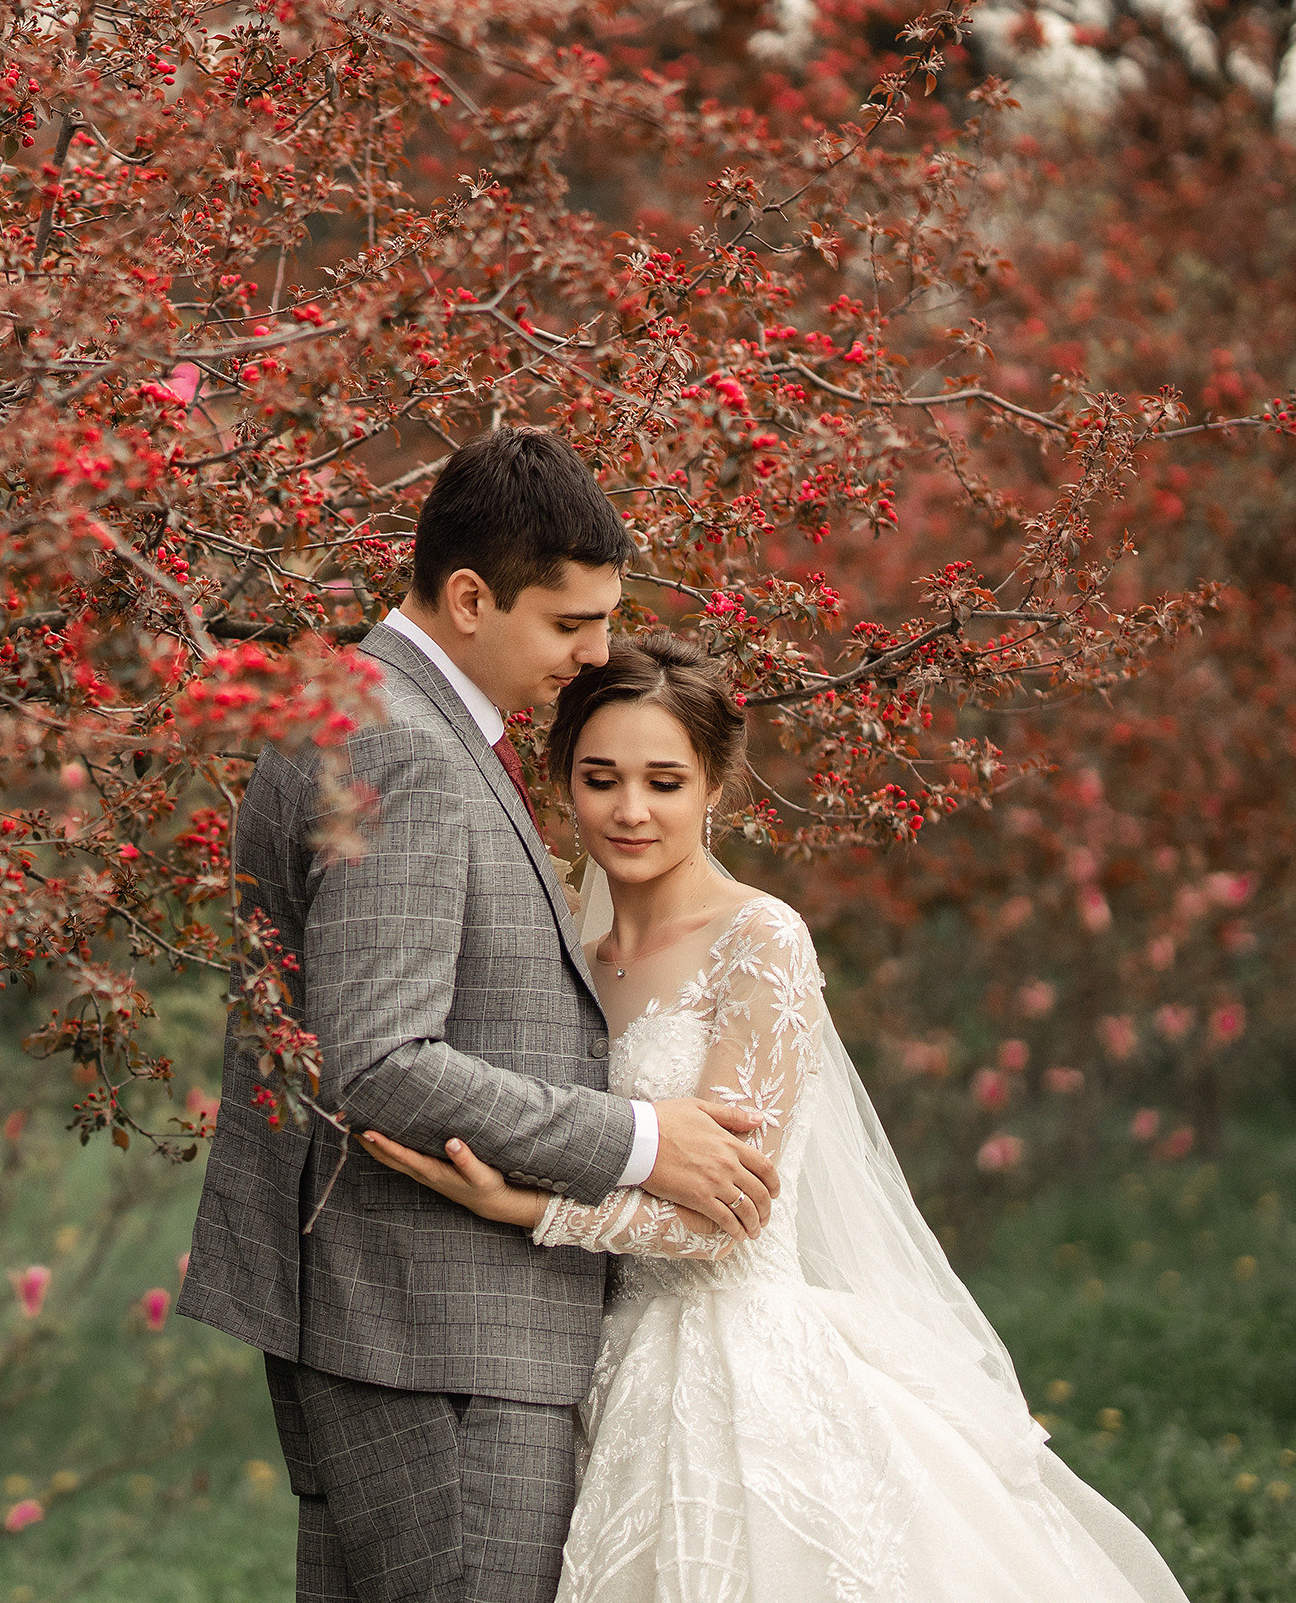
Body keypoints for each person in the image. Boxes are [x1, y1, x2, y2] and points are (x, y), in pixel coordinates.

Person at [359, 633, 1190, 1602]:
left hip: (736, 1363)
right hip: (590, 1358)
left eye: (664, 780)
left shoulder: (757, 939)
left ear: (716, 786)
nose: (630, 809)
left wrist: (524, 1208)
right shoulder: (564, 948)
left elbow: (729, 1216)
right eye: (601, 777)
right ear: (561, 779)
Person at [177, 428, 785, 1603]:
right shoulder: (403, 747)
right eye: (569, 624)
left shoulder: (361, 711)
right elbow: (384, 1060)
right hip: (439, 1329)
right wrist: (645, 1139)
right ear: (468, 597)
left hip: (398, 1318)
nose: (596, 652)